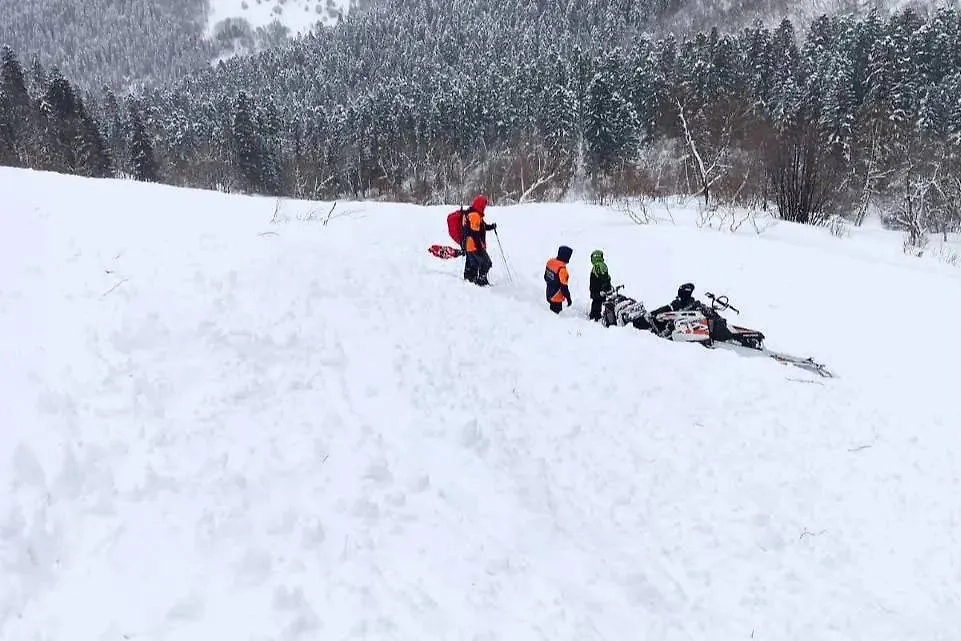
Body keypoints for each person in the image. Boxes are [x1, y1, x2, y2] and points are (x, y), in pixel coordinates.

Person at [461, 195, 496, 286]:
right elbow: (474, 233)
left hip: (468, 246)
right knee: (487, 263)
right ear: (480, 205)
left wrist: (491, 227)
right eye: (484, 206)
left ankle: (470, 281)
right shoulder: (475, 215)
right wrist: (480, 248)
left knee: (473, 265)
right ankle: (481, 281)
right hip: (473, 246)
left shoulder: (471, 213)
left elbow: (481, 227)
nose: (484, 208)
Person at [544, 245, 573, 313]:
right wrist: (568, 299)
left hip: (549, 293)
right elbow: (564, 287)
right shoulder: (562, 269)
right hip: (557, 297)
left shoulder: (550, 262)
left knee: (551, 314)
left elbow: (545, 277)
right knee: (556, 317)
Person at [588, 249, 612, 321]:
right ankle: (598, 315)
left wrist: (594, 290)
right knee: (600, 302)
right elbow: (607, 277)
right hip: (603, 289)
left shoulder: (596, 266)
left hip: (596, 289)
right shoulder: (604, 265)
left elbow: (597, 279)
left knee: (596, 302)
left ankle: (594, 316)